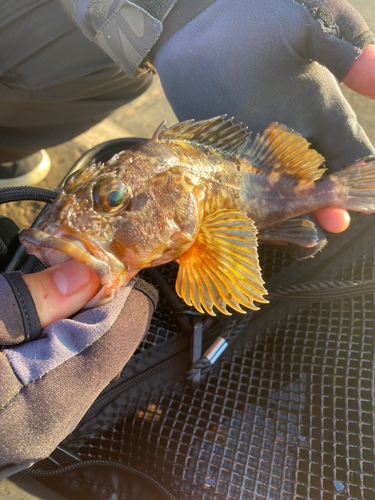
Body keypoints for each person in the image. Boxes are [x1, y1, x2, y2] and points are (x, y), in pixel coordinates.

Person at [0, 0, 375, 477]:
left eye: (111, 197)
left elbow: (226, 262)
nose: (81, 221)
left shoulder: (197, 207)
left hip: (275, 187)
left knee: (125, 66)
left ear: (174, 199)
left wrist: (173, 8)